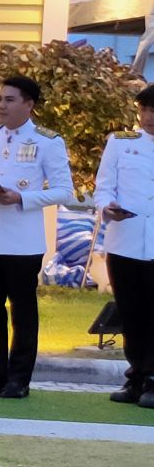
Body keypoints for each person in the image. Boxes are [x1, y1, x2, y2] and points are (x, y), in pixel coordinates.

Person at [0, 74, 74, 399]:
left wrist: (22, 198)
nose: (1, 105)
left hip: (21, 241)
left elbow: (64, 191)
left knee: (22, 310)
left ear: (29, 104)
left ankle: (19, 379)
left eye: (9, 100)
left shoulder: (47, 142)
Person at [94, 85, 154, 408]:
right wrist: (108, 207)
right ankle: (138, 378)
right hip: (125, 241)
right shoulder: (120, 143)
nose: (148, 117)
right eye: (144, 110)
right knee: (131, 313)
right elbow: (102, 187)